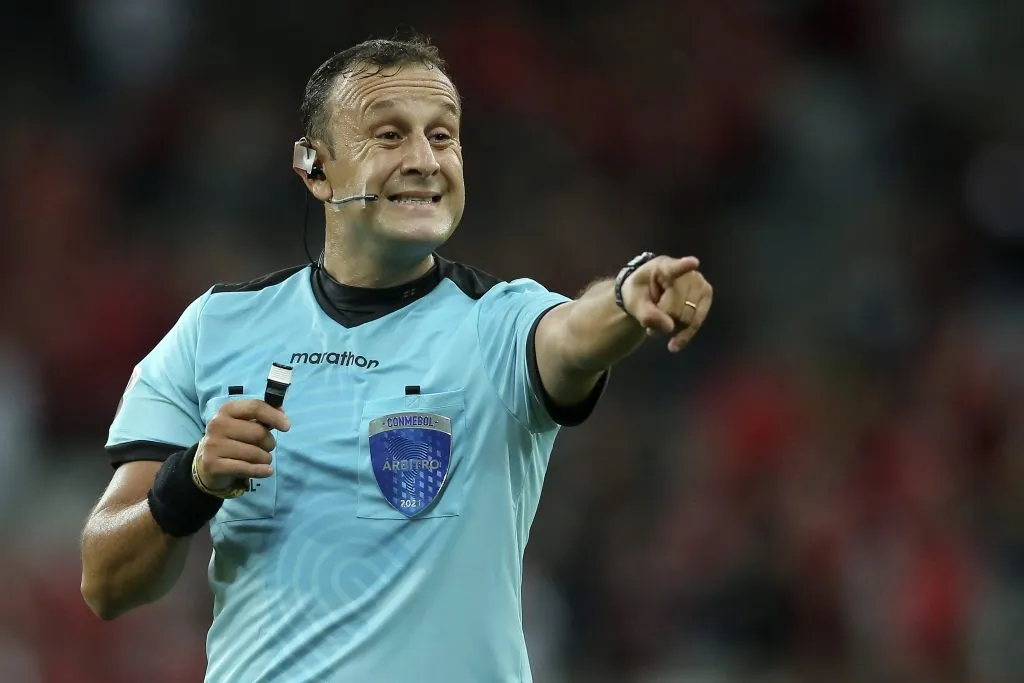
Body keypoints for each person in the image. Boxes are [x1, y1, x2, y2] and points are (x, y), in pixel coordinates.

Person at [79, 35, 712, 683]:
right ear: (316, 168)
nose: (424, 160)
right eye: (388, 135)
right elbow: (104, 580)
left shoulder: (497, 321)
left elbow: (575, 332)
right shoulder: (214, 329)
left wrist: (631, 295)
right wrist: (193, 480)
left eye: (443, 136)